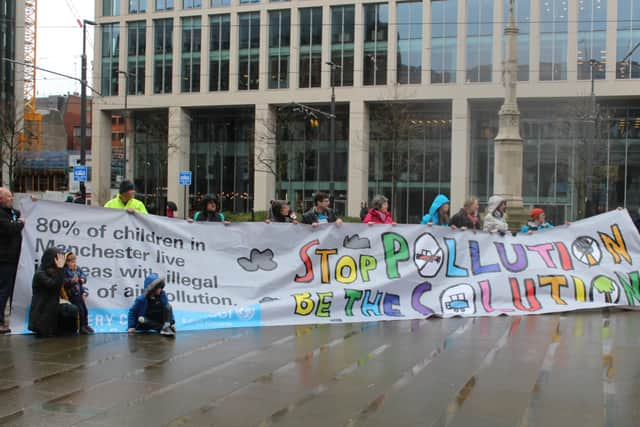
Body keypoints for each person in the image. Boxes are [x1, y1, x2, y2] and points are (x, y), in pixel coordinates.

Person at [28, 248, 79, 337]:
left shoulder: (54, 272)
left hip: (52, 304)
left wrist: (71, 282)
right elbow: (53, 285)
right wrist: (60, 269)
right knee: (67, 309)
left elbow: (60, 285)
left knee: (71, 309)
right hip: (43, 308)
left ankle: (67, 332)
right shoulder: (40, 273)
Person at [0, 187, 25, 334]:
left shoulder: (11, 213)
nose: (11, 199)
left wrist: (33, 203)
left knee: (13, 291)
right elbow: (10, 228)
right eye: (8, 197)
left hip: (14, 258)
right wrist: (21, 224)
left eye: (11, 196)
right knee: (3, 290)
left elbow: (22, 214)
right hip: (4, 259)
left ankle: (12, 320)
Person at [62, 252, 93, 334]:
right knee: (80, 310)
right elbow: (63, 282)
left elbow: (83, 276)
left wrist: (82, 279)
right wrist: (71, 281)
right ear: (66, 262)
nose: (73, 263)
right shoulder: (64, 271)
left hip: (79, 292)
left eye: (74, 261)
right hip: (72, 294)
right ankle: (81, 326)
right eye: (71, 262)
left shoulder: (77, 268)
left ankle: (86, 325)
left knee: (84, 310)